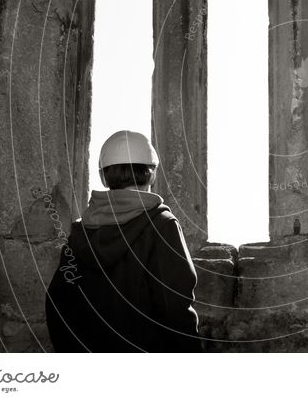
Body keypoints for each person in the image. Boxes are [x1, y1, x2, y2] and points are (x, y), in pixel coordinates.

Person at [45, 130, 201, 352]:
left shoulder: (80, 230)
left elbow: (59, 304)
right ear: (153, 174)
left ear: (103, 176)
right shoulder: (162, 225)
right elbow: (174, 308)